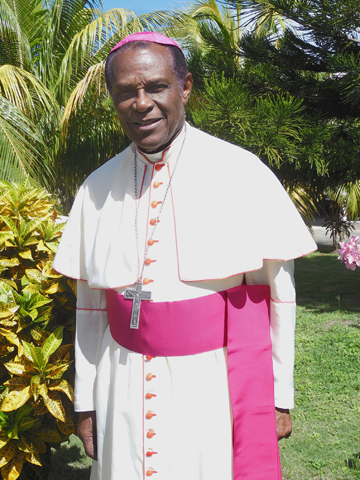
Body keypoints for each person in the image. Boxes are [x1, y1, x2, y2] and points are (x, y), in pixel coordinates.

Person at [53, 32, 317, 480]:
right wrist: (88, 402)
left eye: (156, 87)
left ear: (185, 87)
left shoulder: (241, 171)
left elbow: (280, 294)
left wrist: (277, 396)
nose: (141, 103)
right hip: (122, 382)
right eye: (125, 92)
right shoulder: (96, 187)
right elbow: (91, 307)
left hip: (213, 382)